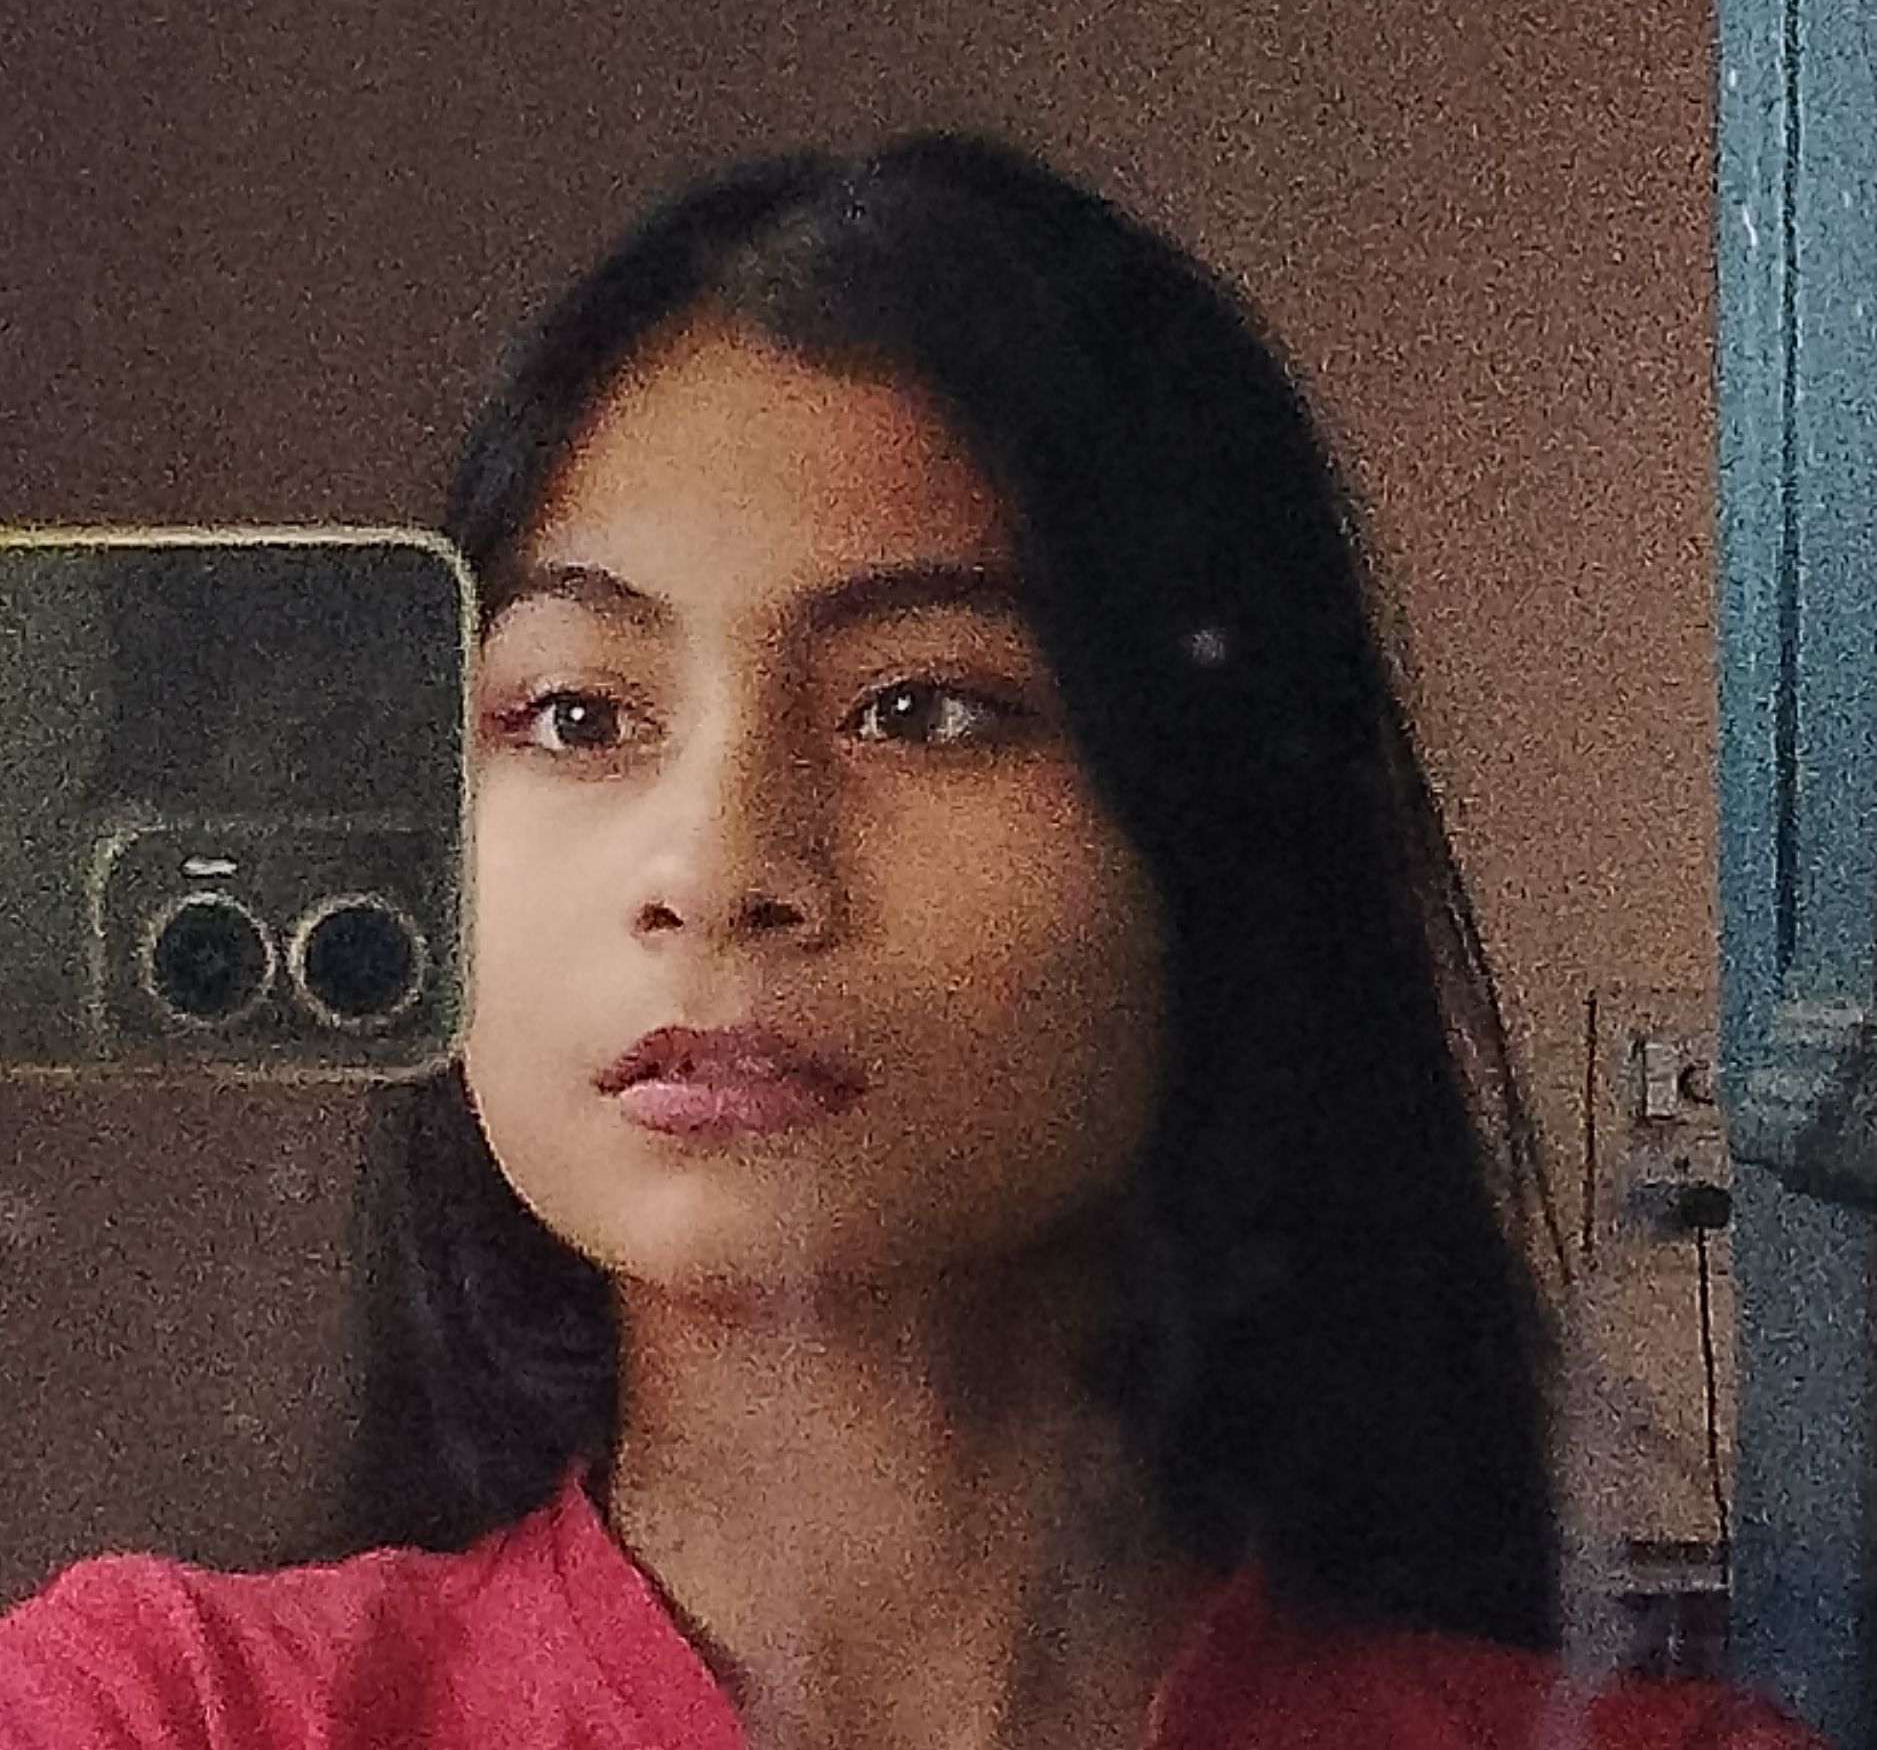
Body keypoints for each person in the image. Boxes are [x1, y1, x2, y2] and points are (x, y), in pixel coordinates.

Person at [0, 127, 1829, 1750]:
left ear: (1219, 837)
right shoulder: (159, 1714)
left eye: (924, 708)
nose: (714, 868)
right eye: (575, 714)